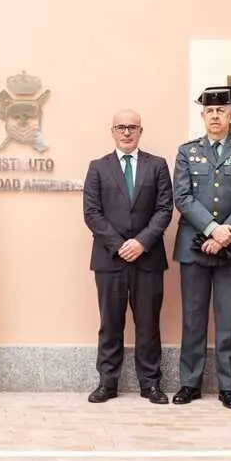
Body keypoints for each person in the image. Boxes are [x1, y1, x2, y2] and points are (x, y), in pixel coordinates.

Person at [172, 86, 231, 410]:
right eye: (209, 111)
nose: (215, 116)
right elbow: (181, 197)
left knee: (228, 320)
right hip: (193, 245)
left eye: (221, 111)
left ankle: (227, 386)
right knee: (193, 318)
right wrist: (211, 229)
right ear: (202, 116)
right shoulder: (187, 152)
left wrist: (226, 232)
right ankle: (189, 383)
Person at [82, 110, 174, 405]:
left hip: (147, 258)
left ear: (140, 131)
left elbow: (164, 209)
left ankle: (151, 384)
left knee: (148, 323)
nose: (126, 132)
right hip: (110, 259)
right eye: (121, 127)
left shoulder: (157, 165)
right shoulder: (98, 167)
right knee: (110, 323)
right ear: (112, 131)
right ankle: (107, 383)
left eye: (132, 127)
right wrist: (120, 244)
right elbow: (91, 213)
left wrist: (142, 242)